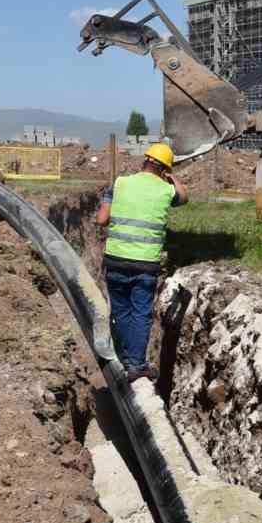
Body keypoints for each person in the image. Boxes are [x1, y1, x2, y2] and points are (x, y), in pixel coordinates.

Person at [95, 142, 187, 380]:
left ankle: (126, 356)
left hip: (115, 259)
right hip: (145, 263)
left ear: (144, 161)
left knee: (122, 310)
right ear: (164, 170)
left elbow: (102, 219)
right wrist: (172, 178)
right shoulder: (166, 190)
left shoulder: (120, 183)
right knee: (141, 313)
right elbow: (184, 197)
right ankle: (136, 364)